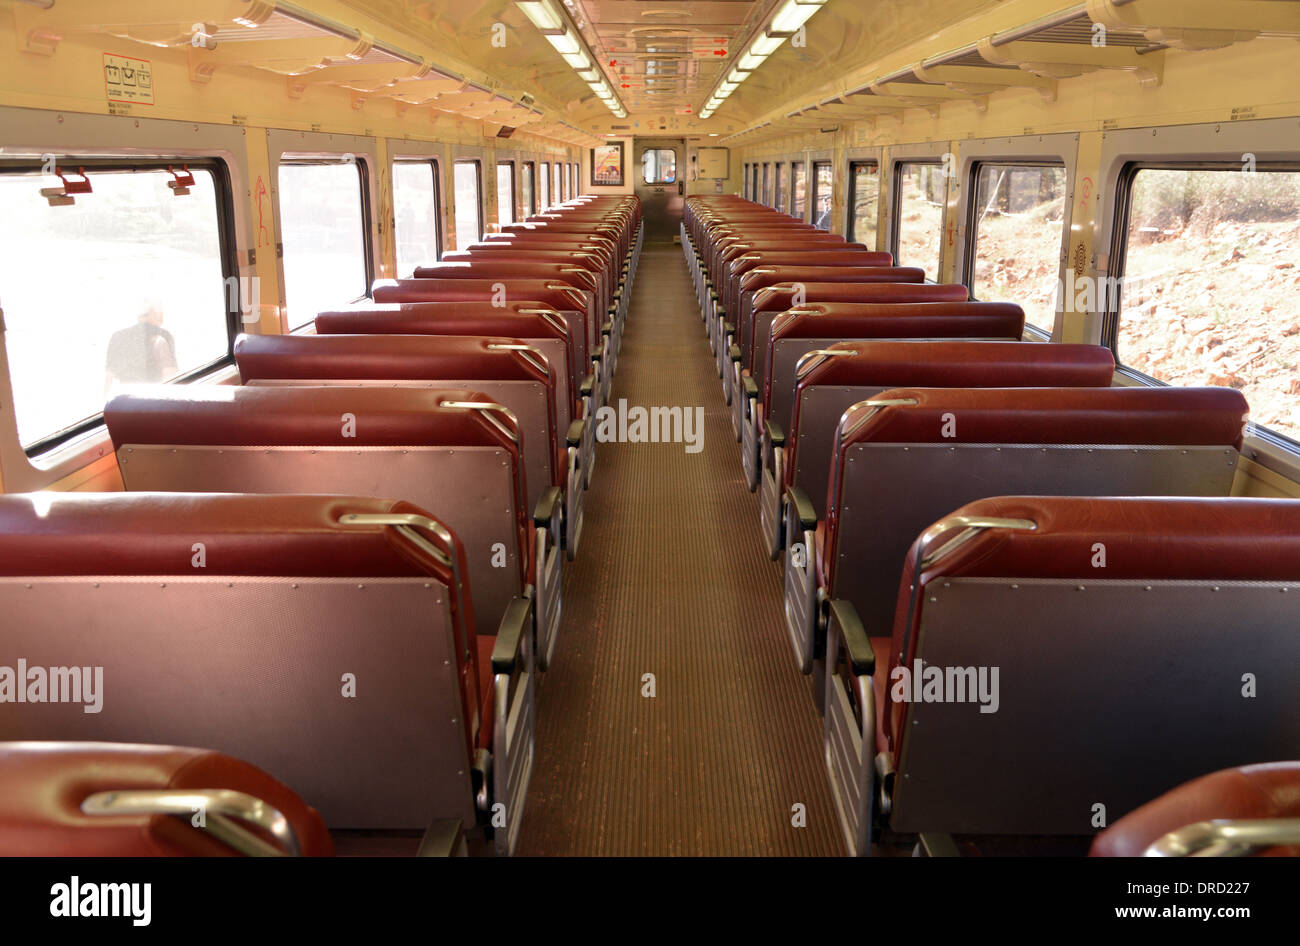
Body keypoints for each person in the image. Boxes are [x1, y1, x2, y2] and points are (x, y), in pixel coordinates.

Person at [104, 303, 178, 395]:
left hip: (125, 399)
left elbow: (109, 377)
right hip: (152, 398)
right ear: (155, 313)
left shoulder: (117, 336)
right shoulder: (162, 335)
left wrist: (106, 404)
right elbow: (170, 374)